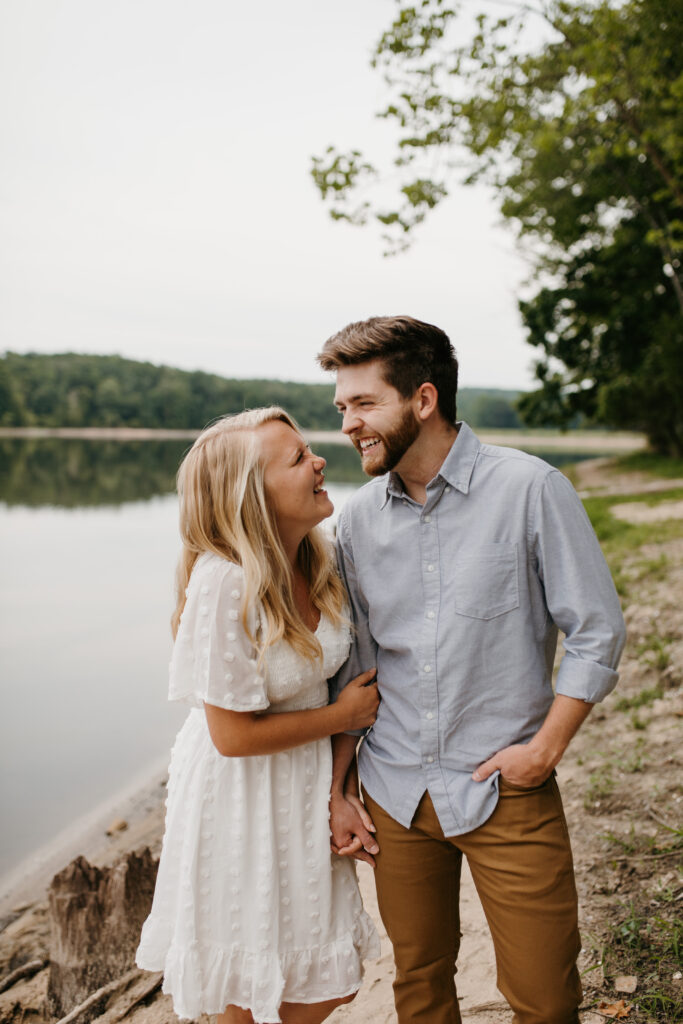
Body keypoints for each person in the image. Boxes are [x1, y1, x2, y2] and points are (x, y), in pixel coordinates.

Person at [317, 317, 626, 1024]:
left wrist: (543, 750)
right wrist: (338, 789)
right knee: (418, 983)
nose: (347, 424)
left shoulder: (530, 489)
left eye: (362, 404)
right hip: (394, 790)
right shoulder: (357, 522)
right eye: (342, 407)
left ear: (422, 400)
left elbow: (596, 630)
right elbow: (355, 672)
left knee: (545, 998)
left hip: (504, 785)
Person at [136, 407, 380, 1024]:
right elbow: (233, 736)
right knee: (246, 990)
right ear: (253, 496)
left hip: (300, 784)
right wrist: (343, 716)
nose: (320, 459)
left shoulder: (315, 560)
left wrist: (338, 789)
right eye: (298, 459)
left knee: (325, 982)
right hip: (239, 794)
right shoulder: (226, 583)